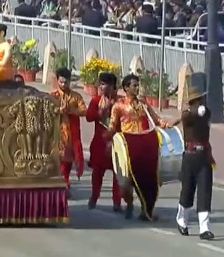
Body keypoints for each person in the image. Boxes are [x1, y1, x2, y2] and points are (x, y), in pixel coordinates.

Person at [108, 73, 171, 221]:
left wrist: (166, 125)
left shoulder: (143, 104)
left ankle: (145, 210)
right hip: (127, 149)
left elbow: (155, 118)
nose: (137, 88)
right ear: (126, 88)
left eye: (138, 85)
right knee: (125, 183)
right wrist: (109, 138)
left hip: (143, 146)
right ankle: (129, 204)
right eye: (134, 85)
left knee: (147, 179)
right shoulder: (118, 106)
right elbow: (112, 126)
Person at [176, 72, 215, 241]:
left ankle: (204, 228)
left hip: (204, 157)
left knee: (205, 191)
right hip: (190, 157)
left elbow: (205, 113)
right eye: (200, 99)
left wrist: (200, 109)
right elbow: (188, 116)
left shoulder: (205, 112)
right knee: (187, 191)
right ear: (194, 101)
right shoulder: (187, 116)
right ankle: (182, 221)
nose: (203, 101)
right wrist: (194, 110)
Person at [85, 72, 121, 211]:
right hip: (99, 143)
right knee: (97, 174)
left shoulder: (120, 103)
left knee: (118, 174)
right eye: (99, 83)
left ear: (112, 86)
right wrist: (101, 111)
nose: (100, 87)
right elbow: (88, 117)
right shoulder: (96, 101)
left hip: (116, 143)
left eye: (104, 84)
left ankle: (117, 203)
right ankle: (94, 197)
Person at [52, 68, 85, 188]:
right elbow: (47, 111)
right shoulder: (53, 96)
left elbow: (84, 111)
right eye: (61, 82)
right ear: (57, 80)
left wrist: (71, 110)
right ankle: (61, 185)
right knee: (57, 161)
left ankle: (65, 183)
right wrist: (58, 110)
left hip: (71, 135)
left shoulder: (76, 97)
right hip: (57, 134)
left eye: (66, 82)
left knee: (68, 162)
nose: (64, 85)